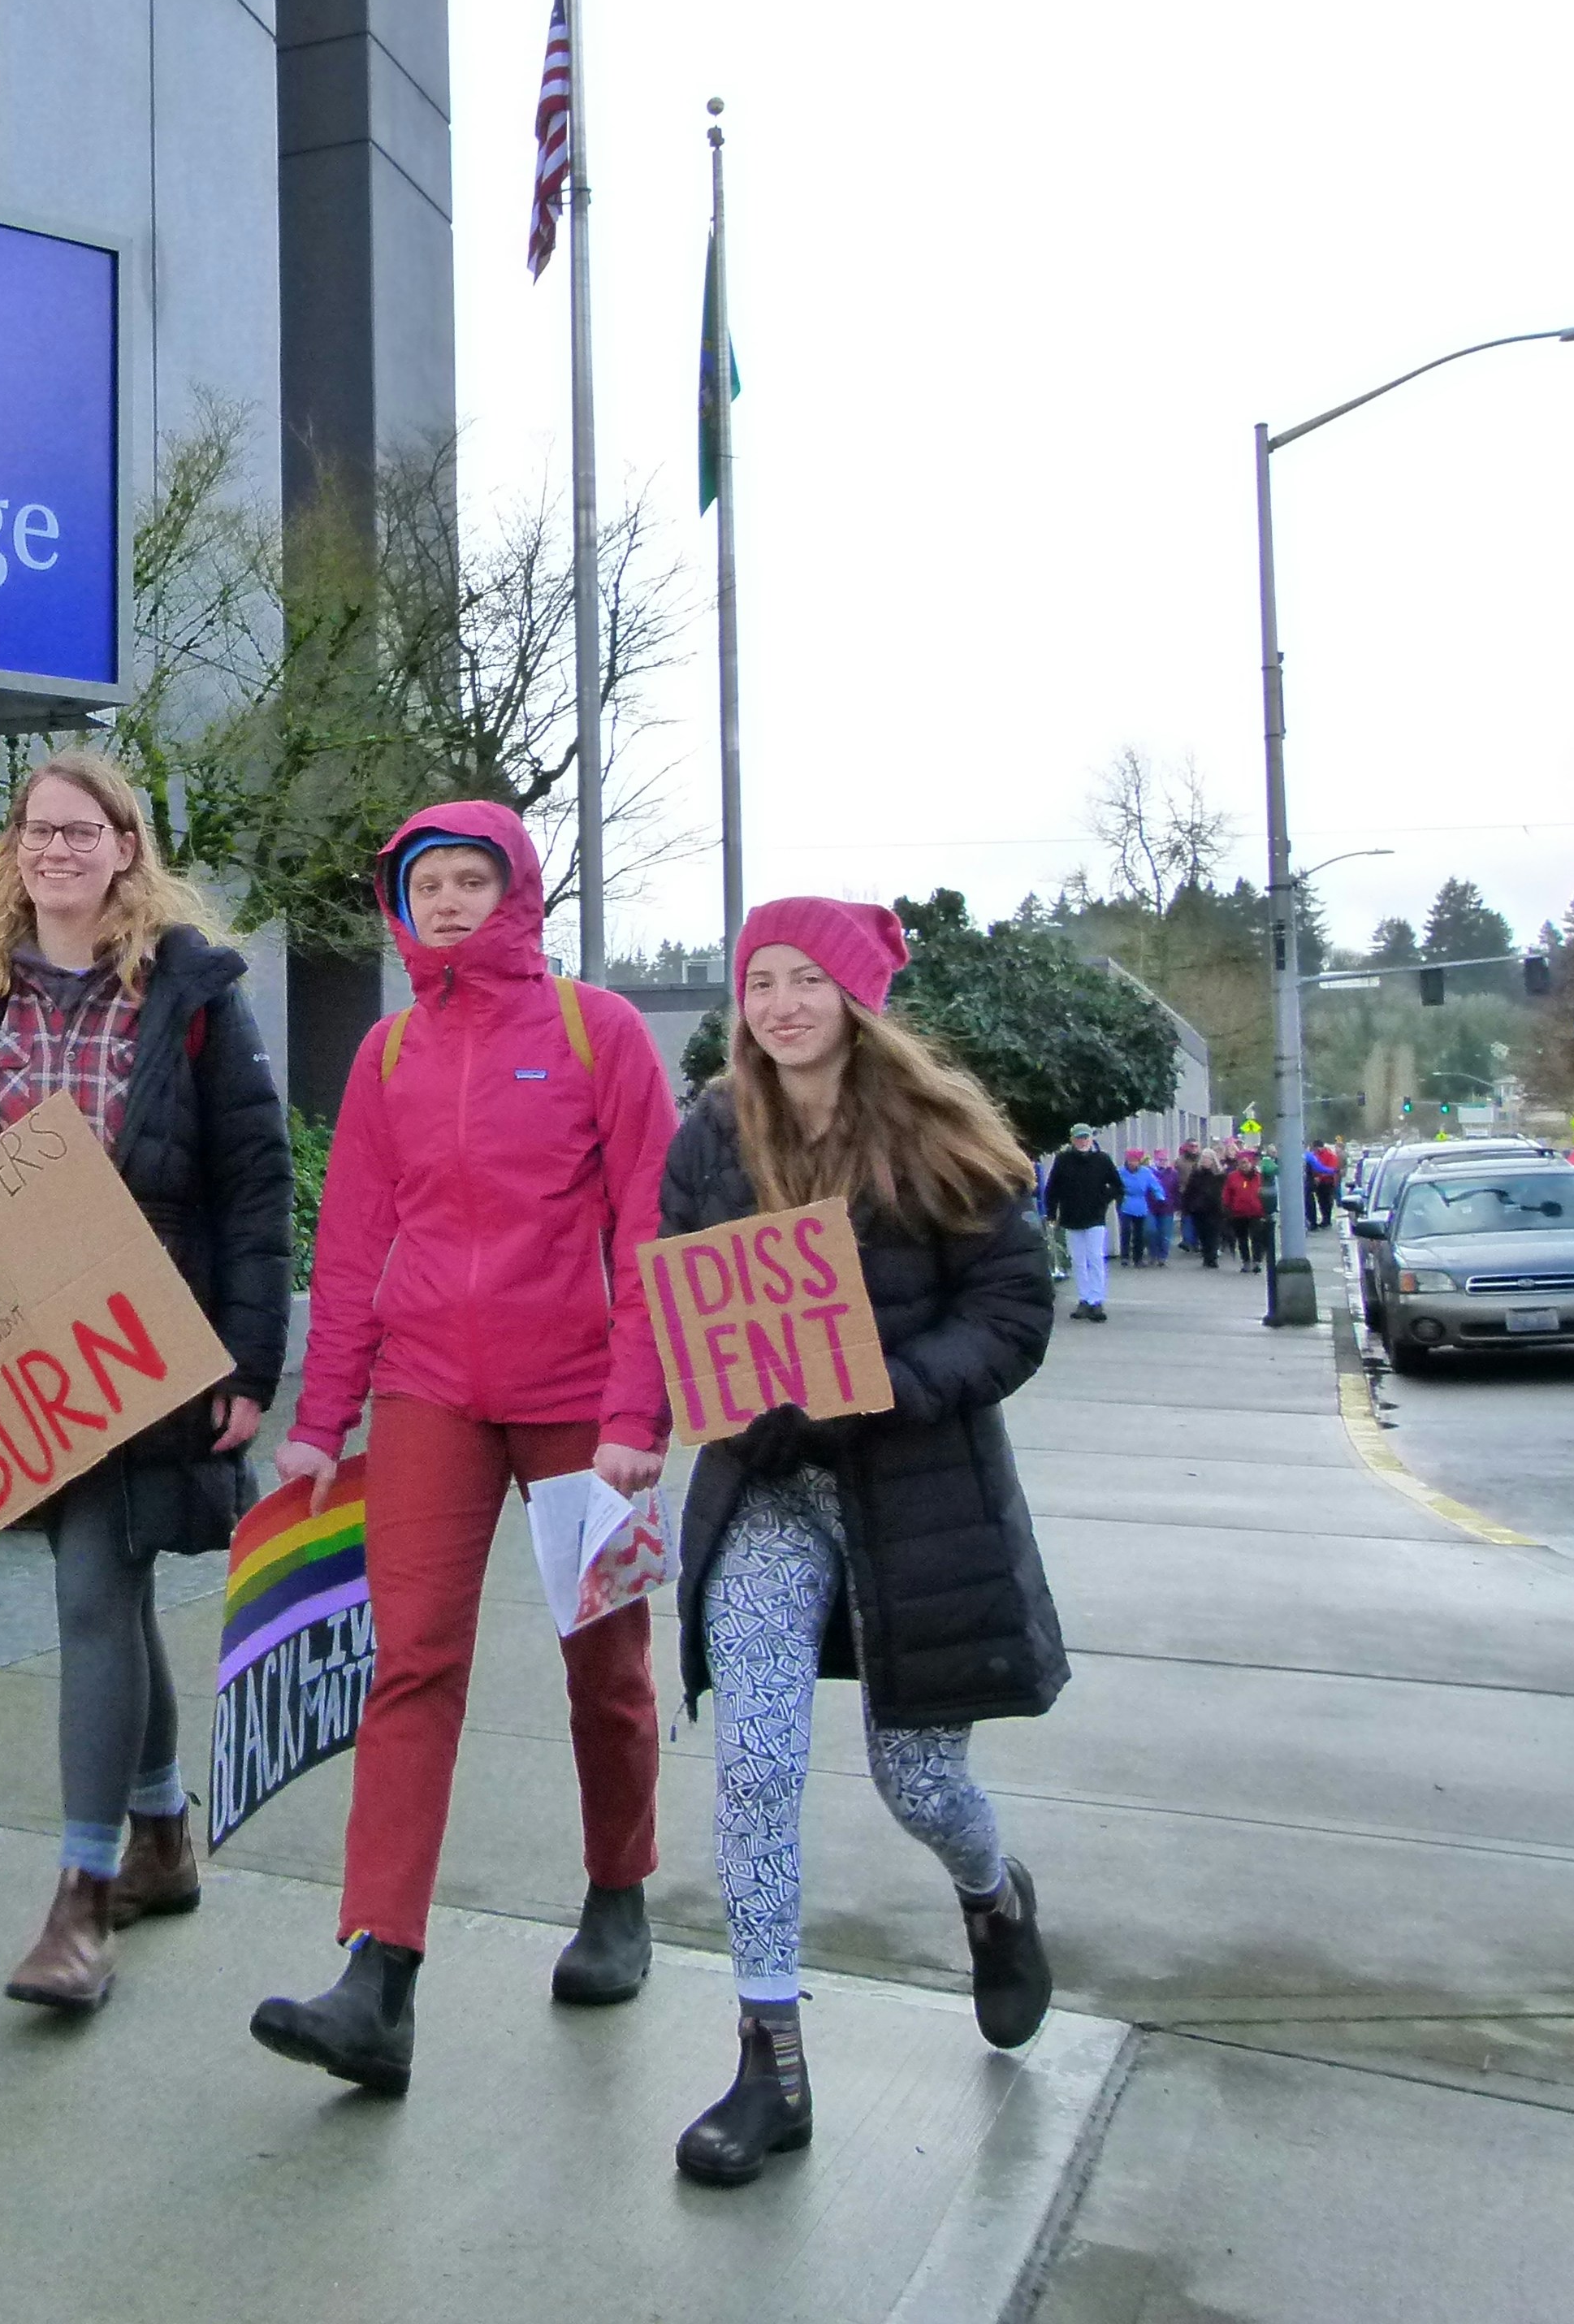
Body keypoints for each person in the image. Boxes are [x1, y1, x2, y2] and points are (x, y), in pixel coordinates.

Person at [248, 802, 679, 2096]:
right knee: (411, 1662)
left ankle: (620, 1893)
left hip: (581, 1400)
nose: (445, 902)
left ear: (519, 891)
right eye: (425, 883)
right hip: (430, 1391)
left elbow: (653, 1230)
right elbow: (352, 1249)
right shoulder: (387, 1056)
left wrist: (636, 1417)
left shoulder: (598, 1032)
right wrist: (319, 1423)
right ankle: (379, 1975)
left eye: (469, 880)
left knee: (605, 1664)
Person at [661, 898, 1064, 2186]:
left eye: (801, 981)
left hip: (914, 1497)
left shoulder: (940, 1132)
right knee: (757, 1762)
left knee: (921, 1783)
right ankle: (768, 2056)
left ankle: (996, 1899)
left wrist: (877, 1383)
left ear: (852, 998)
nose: (776, 1005)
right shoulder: (714, 1130)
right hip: (770, 1487)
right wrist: (706, 1388)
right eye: (756, 982)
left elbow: (1010, 1314)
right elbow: (676, 1280)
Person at [0, 751, 293, 2014]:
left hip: (152, 1333)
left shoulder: (191, 995)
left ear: (127, 847)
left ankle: (81, 1899)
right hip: (27, 1335)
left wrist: (250, 1358)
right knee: (105, 1590)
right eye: (35, 832)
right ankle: (163, 1833)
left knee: (90, 1591)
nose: (54, 851)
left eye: (80, 831)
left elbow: (255, 1183)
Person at [1044, 1122, 1122, 1322]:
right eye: (1079, 1138)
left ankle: (1097, 1300)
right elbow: (1052, 1189)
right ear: (1072, 1140)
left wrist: (1103, 1200)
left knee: (1095, 1257)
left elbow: (1117, 1186)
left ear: (1091, 1138)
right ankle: (1084, 1299)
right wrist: (1051, 1213)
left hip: (1095, 1217)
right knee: (1078, 1260)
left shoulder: (1102, 1159)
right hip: (1071, 1218)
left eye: (1086, 1137)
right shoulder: (1063, 1160)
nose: (1083, 1141)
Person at [1183, 1143, 1228, 1269]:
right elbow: (1189, 1191)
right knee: (1202, 1234)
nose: (1205, 1161)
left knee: (1213, 1234)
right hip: (1199, 1210)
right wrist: (1187, 1207)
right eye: (1204, 1159)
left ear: (1213, 1160)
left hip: (1215, 1210)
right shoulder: (1196, 1174)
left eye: (1208, 1159)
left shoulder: (1220, 1176)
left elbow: (1224, 1192)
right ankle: (1206, 1256)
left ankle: (1212, 1258)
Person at [1223, 1149, 1269, 1274]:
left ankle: (1257, 1261)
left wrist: (1266, 1208)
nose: (1244, 1165)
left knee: (1256, 1237)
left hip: (1257, 1212)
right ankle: (1246, 1262)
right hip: (1238, 1213)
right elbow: (1227, 1194)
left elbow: (1265, 1194)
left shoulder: (1259, 1177)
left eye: (1247, 1163)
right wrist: (1227, 1207)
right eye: (1242, 1163)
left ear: (1251, 1163)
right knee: (1242, 1238)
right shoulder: (1232, 1177)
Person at [1117, 1145, 1160, 1267]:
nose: (1132, 1163)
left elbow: (1154, 1185)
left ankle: (1138, 1259)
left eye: (1135, 1160)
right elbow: (1113, 1183)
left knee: (1139, 1233)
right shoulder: (1120, 1172)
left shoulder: (1146, 1172)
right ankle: (1124, 1257)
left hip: (1140, 1204)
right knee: (1125, 1230)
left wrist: (1160, 1196)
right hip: (1125, 1202)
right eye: (1130, 1160)